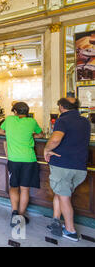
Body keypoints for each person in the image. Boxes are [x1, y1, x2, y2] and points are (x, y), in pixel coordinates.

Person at [44, 97, 90, 242]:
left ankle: (70, 230)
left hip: (64, 166)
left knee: (64, 197)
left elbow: (56, 139)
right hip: (80, 167)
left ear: (62, 107)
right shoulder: (85, 121)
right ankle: (55, 221)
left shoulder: (62, 120)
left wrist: (46, 149)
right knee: (60, 193)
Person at [0, 102, 43, 228]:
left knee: (14, 187)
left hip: (14, 160)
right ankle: (21, 215)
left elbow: (1, 132)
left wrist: (12, 134)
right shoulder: (32, 122)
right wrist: (32, 135)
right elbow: (40, 134)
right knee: (25, 189)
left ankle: (14, 212)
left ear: (16, 112)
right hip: (29, 160)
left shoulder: (9, 120)